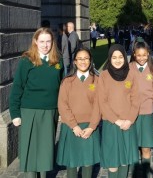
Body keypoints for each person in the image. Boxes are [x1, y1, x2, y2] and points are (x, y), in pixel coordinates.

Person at [9, 27, 64, 178]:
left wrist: (63, 111)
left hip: (50, 111)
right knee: (31, 150)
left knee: (45, 150)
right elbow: (17, 88)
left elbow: (63, 89)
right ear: (35, 42)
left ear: (52, 42)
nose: (45, 45)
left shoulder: (58, 60)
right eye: (42, 42)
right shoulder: (27, 61)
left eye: (48, 41)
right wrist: (15, 113)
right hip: (29, 111)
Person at [56, 47, 101, 178]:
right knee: (72, 161)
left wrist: (92, 126)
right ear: (75, 62)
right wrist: (74, 126)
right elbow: (62, 105)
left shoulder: (97, 80)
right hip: (71, 127)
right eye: (80, 59)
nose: (83, 61)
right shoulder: (67, 81)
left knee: (88, 162)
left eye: (86, 58)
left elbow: (99, 105)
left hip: (90, 127)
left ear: (90, 60)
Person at [96, 44, 140, 177]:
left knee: (125, 160)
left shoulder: (131, 74)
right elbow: (102, 102)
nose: (117, 60)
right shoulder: (103, 76)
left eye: (120, 57)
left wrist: (129, 120)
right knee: (113, 161)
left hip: (128, 123)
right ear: (109, 58)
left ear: (125, 58)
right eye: (114, 57)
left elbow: (136, 100)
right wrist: (116, 120)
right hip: (111, 124)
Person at [129, 38, 153, 176]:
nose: (141, 58)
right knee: (132, 148)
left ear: (148, 54)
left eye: (144, 54)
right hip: (131, 115)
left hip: (147, 115)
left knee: (146, 149)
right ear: (134, 54)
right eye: (138, 55)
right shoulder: (128, 69)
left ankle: (144, 174)